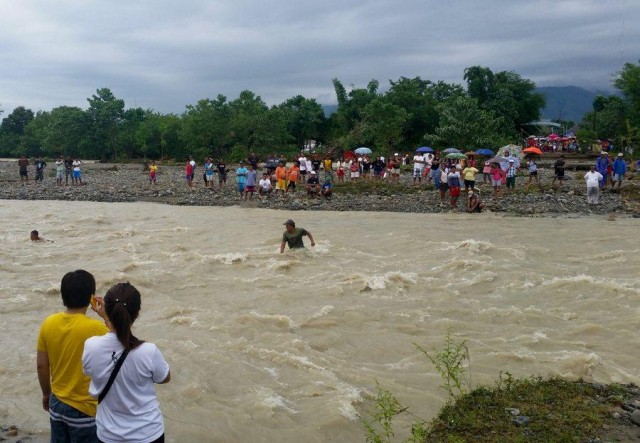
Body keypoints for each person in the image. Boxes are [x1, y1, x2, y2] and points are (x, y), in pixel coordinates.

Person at [82, 282, 170, 443]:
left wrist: (107, 318)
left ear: (107, 309)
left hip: (109, 435)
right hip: (148, 433)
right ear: (136, 314)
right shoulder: (148, 351)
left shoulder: (91, 346)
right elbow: (164, 377)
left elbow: (89, 371)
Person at [37, 270, 109, 442]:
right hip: (85, 409)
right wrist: (106, 316)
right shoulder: (98, 329)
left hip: (57, 404)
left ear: (63, 295)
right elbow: (124, 344)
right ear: (91, 297)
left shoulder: (48, 323)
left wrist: (46, 394)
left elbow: (41, 365)